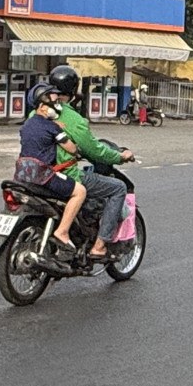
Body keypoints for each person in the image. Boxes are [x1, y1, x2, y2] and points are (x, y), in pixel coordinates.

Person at [43, 65, 136, 259]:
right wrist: (119, 156)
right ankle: (99, 246)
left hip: (36, 173)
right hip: (64, 175)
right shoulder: (72, 118)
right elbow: (94, 150)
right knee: (118, 187)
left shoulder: (36, 113)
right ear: (72, 90)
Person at [17, 85, 90, 249]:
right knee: (80, 191)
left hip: (22, 174)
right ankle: (62, 232)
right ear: (42, 107)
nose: (58, 106)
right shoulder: (52, 126)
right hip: (43, 176)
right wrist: (79, 151)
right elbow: (71, 148)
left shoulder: (26, 125)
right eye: (54, 103)